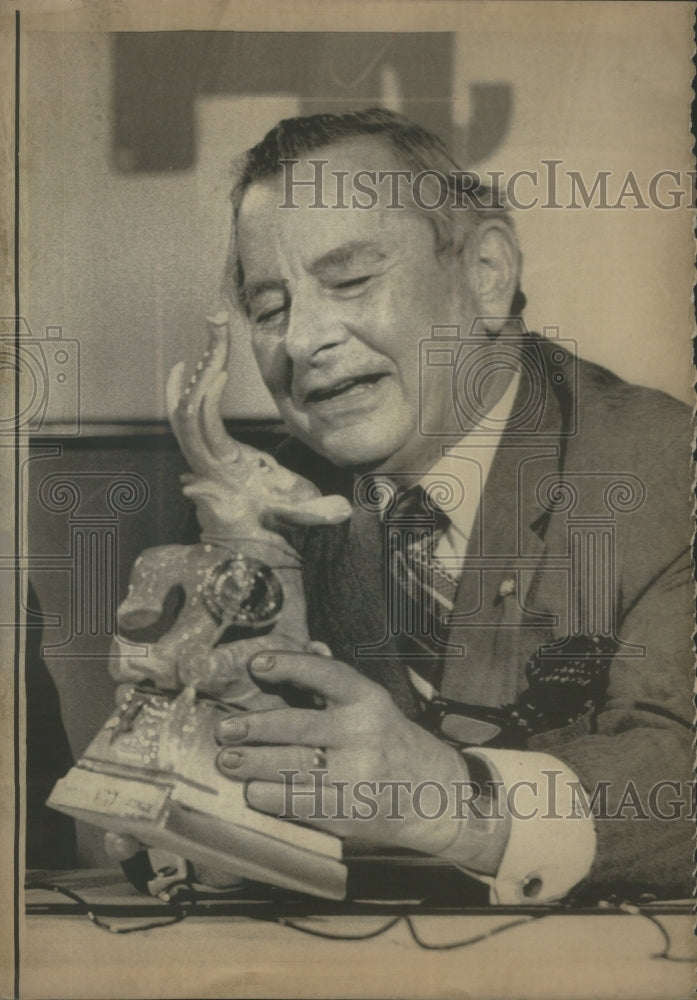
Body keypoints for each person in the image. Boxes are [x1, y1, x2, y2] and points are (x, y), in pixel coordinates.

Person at [116, 108, 694, 903]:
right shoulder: (266, 507)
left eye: (349, 279)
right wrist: (202, 785)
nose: (301, 341)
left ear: (485, 271)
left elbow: (680, 777)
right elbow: (202, 836)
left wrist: (456, 799)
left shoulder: (664, 468)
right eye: (270, 307)